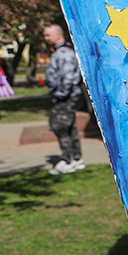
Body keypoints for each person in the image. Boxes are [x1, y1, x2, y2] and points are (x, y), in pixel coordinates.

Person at [43, 24, 85, 175]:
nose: (46, 39)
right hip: (65, 96)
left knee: (59, 126)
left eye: (48, 35)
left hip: (65, 97)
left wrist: (61, 95)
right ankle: (76, 159)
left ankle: (67, 160)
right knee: (69, 126)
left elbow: (68, 78)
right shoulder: (60, 52)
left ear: (57, 35)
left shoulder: (64, 53)